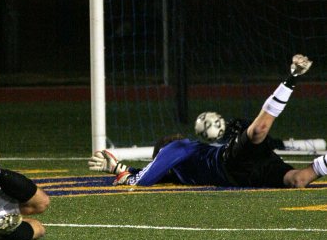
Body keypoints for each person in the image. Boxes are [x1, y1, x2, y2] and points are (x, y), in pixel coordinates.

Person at [88, 54, 327, 189]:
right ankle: (291, 78)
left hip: (235, 168)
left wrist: (118, 169)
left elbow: (144, 176)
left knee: (293, 173)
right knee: (295, 176)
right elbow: (145, 176)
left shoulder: (178, 162)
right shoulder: (179, 153)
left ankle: (292, 79)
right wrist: (123, 171)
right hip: (234, 168)